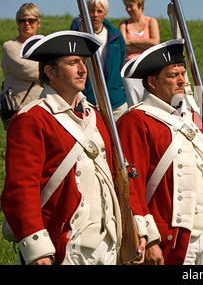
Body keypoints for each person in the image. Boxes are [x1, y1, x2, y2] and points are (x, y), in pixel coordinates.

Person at [0, 31, 142, 265]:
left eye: (84, 62)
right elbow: (21, 189)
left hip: (107, 245)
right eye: (73, 63)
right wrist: (36, 247)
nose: (83, 69)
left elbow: (117, 176)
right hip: (65, 248)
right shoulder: (32, 118)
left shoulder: (95, 116)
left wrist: (134, 228)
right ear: (50, 71)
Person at [116, 39, 203, 265]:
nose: (181, 81)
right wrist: (146, 237)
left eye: (183, 74)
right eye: (172, 75)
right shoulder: (136, 120)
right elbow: (131, 187)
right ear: (151, 82)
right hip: (171, 237)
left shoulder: (193, 118)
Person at [70, 0, 128, 121]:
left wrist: (118, 86)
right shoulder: (79, 35)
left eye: (99, 11)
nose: (95, 15)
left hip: (116, 101)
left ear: (105, 13)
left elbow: (121, 65)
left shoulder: (115, 36)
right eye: (91, 10)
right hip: (89, 101)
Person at [1, 3, 44, 129]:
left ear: (38, 23)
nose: (27, 23)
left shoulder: (45, 46)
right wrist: (50, 71)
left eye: (31, 20)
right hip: (18, 112)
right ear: (18, 24)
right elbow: (27, 70)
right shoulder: (9, 47)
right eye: (22, 20)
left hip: (42, 110)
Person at [119, 0, 160, 107]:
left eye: (131, 6)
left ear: (140, 5)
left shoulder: (151, 22)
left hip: (147, 66)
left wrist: (130, 42)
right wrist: (144, 44)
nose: (128, 9)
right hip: (129, 68)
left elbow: (155, 43)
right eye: (126, 6)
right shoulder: (124, 24)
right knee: (132, 96)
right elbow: (123, 46)